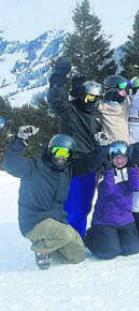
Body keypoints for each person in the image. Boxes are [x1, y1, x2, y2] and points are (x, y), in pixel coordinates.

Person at [3, 127, 85, 269]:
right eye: (57, 151)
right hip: (33, 221)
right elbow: (10, 164)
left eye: (65, 153)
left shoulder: (65, 170)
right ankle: (40, 249)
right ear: (50, 150)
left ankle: (52, 245)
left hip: (55, 219)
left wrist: (102, 148)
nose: (61, 156)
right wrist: (19, 140)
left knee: (77, 255)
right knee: (64, 234)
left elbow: (89, 165)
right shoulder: (33, 167)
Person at [47, 56, 104, 237]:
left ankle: (77, 238)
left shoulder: (96, 114)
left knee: (84, 206)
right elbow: (56, 101)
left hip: (88, 164)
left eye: (95, 98)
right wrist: (58, 79)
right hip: (70, 163)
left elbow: (97, 138)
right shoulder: (71, 110)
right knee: (69, 205)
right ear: (81, 95)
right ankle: (62, 238)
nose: (91, 101)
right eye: (88, 96)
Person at [85, 141, 139, 260]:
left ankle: (114, 239)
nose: (120, 161)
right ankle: (91, 237)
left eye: (123, 158)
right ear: (110, 158)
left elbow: (136, 187)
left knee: (132, 249)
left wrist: (132, 168)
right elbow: (108, 192)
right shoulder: (103, 172)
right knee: (109, 252)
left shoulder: (132, 170)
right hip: (105, 220)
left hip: (125, 220)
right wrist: (109, 171)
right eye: (116, 158)